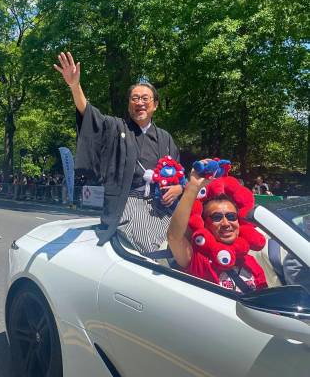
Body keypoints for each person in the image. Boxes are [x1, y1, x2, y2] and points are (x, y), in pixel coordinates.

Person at [54, 51, 183, 253]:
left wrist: (179, 189)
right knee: (148, 244)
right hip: (128, 203)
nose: (139, 102)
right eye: (134, 98)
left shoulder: (166, 138)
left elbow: (178, 175)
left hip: (163, 205)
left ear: (155, 105)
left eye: (145, 98)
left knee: (186, 236)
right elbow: (91, 116)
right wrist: (74, 86)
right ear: (129, 104)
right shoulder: (117, 128)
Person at [167, 168, 267, 291]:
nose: (226, 223)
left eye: (231, 216)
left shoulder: (250, 262)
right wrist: (193, 187)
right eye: (217, 217)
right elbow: (174, 237)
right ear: (206, 224)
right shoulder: (197, 260)